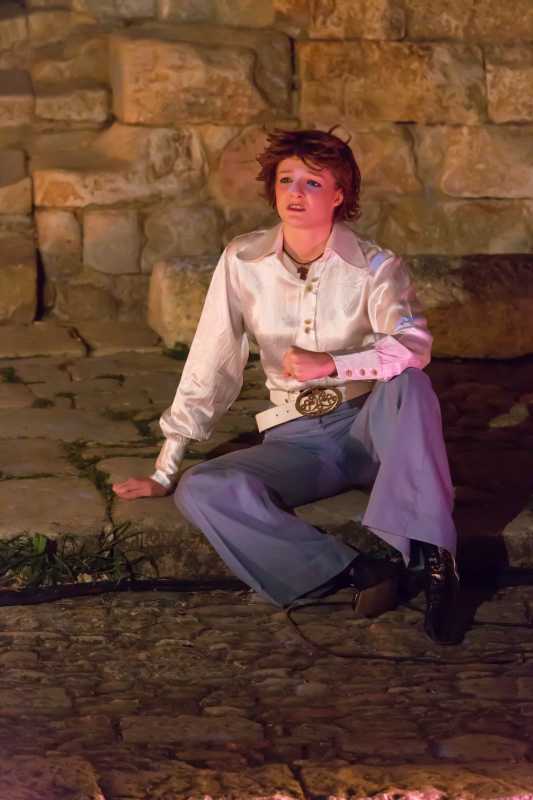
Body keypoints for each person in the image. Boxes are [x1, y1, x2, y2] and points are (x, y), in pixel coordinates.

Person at [113, 128, 459, 644]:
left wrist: (334, 364)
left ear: (339, 194)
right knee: (203, 488)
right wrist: (167, 468)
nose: (295, 192)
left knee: (409, 383)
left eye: (312, 182)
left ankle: (436, 564)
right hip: (297, 441)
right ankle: (354, 571)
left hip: (373, 430)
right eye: (285, 180)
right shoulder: (242, 261)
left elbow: (415, 345)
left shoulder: (377, 267)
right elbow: (211, 361)